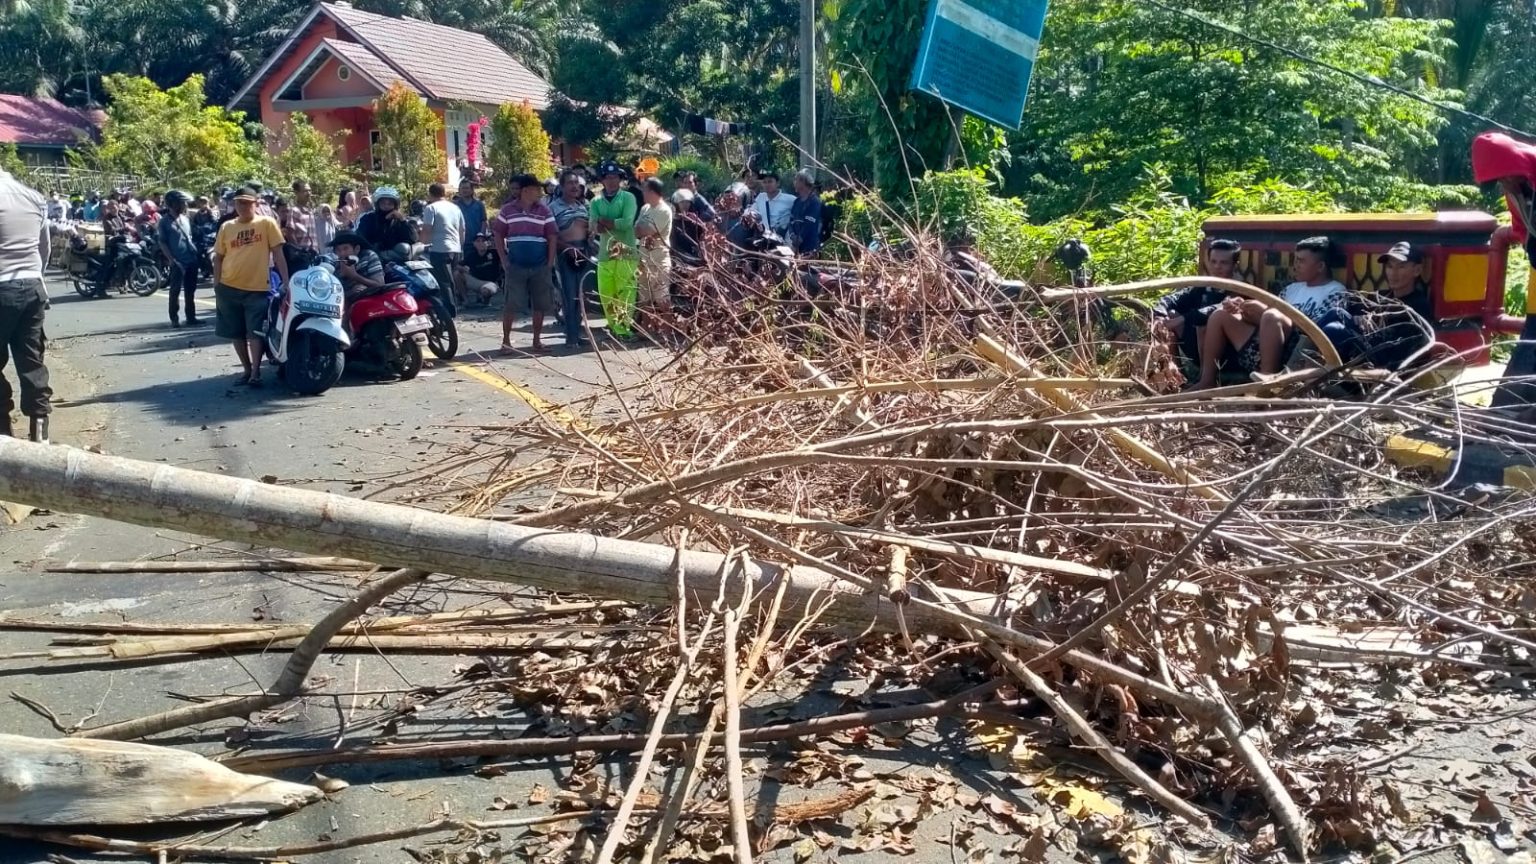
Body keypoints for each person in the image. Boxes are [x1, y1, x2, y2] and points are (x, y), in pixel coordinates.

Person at [1195, 236, 1348, 389]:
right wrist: (1243, 309)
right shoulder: (1291, 289)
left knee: (1272, 315)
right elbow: (1268, 317)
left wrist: (1266, 312)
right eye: (1295, 260)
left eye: (1301, 261)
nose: (1295, 266)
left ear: (1320, 266)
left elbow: (1317, 329)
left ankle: (1268, 382)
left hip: (1295, 355)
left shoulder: (1335, 291)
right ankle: (1206, 380)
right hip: (1261, 349)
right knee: (1221, 315)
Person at [1472, 131, 1536, 408]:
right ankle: (1511, 408)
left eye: (1506, 175)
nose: (1504, 182)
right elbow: (1521, 225)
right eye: (1498, 179)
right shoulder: (1513, 187)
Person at [212, 187, 289, 387]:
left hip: (257, 288)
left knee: (255, 332)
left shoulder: (266, 224)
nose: (243, 207)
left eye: (247, 203)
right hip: (228, 286)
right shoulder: (227, 227)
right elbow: (219, 257)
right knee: (235, 332)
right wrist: (216, 283)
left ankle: (256, 372)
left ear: (256, 204)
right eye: (239, 203)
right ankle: (246, 370)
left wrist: (286, 281)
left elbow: (278, 254)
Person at [0, 165, 52, 442]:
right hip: (32, 286)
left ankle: (4, 436)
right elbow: (44, 250)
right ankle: (40, 439)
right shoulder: (32, 197)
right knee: (32, 363)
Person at [491, 174, 557, 353]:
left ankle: (536, 340)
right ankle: (506, 342)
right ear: (526, 190)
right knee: (511, 303)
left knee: (540, 304)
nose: (540, 193)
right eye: (537, 189)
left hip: (539, 265)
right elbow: (498, 234)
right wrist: (504, 260)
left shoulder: (544, 211)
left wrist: (550, 262)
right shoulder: (507, 210)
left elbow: (552, 236)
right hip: (515, 265)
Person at [1153, 239, 1242, 364]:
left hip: (1227, 353)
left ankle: (1206, 377)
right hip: (1196, 348)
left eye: (1224, 263)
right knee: (1170, 314)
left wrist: (1182, 319)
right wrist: (1160, 316)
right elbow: (1171, 299)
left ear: (1234, 265)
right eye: (1213, 262)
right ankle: (1176, 374)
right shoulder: (1202, 287)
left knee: (1204, 325)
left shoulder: (1240, 291)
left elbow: (1214, 309)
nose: (1217, 267)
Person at [1358, 242, 1435, 372]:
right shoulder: (1382, 298)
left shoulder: (1418, 305)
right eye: (1389, 266)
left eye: (1401, 267)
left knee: (1335, 328)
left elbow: (1403, 349)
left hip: (1385, 365)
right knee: (1336, 316)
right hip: (1367, 351)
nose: (1393, 273)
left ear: (1417, 270)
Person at [590, 161, 639, 341]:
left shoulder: (628, 198)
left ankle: (624, 328)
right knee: (606, 293)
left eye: (615, 177)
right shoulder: (595, 201)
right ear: (602, 180)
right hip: (605, 253)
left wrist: (606, 222)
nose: (611, 181)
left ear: (620, 179)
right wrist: (607, 223)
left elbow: (627, 223)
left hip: (626, 252)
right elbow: (594, 227)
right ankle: (614, 326)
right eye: (608, 177)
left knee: (625, 292)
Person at [550, 171, 592, 347]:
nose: (574, 186)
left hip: (584, 252)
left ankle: (576, 332)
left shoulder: (582, 206)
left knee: (582, 295)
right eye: (570, 183)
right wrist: (568, 248)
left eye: (576, 183)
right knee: (570, 295)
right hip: (565, 255)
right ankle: (571, 338)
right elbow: (551, 236)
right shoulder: (553, 207)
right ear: (561, 187)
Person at [156, 190, 202, 328]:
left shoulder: (185, 219)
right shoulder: (164, 222)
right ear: (173, 204)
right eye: (181, 203)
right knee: (175, 290)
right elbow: (162, 242)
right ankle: (174, 318)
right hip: (177, 261)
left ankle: (191, 317)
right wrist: (171, 259)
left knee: (190, 289)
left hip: (191, 258)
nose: (184, 205)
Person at [634, 178, 674, 326]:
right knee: (644, 296)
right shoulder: (645, 208)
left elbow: (647, 230)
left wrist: (642, 231)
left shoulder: (664, 210)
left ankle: (668, 331)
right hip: (643, 258)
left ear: (652, 191)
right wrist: (642, 231)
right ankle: (647, 329)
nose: (642, 192)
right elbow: (636, 231)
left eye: (644, 189)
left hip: (659, 258)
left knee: (662, 296)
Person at [421, 182, 465, 316]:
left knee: (444, 281)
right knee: (450, 279)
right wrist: (460, 246)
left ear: (430, 194)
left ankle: (449, 313)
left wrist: (421, 243)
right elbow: (462, 229)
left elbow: (427, 229)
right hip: (455, 247)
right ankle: (452, 307)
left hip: (439, 248)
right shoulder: (455, 208)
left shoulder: (431, 208)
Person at [324, 230, 386, 299]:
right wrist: (351, 293)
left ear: (357, 249)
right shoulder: (336, 265)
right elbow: (334, 295)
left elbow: (381, 285)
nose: (342, 253)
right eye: (338, 250)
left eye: (345, 248)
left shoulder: (369, 256)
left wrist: (354, 276)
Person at [355, 187, 415, 254]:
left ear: (395, 206)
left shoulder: (399, 221)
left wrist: (403, 220)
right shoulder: (368, 219)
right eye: (383, 203)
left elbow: (412, 240)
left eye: (390, 204)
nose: (386, 206)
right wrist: (384, 221)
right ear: (377, 204)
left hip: (396, 260)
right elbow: (360, 239)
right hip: (373, 258)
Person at [456, 231, 503, 305]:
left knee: (486, 291)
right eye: (478, 241)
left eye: (483, 241)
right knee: (457, 274)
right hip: (476, 281)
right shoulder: (471, 255)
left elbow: (506, 257)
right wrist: (463, 269)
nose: (481, 243)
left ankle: (486, 301)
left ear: (488, 243)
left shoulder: (495, 253)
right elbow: (457, 265)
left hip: (490, 283)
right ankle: (465, 300)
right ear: (474, 244)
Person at [786, 169, 823, 256]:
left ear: (803, 181)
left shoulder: (814, 201)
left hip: (809, 246)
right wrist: (792, 236)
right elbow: (791, 221)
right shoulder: (797, 201)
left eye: (796, 179)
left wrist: (799, 240)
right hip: (796, 245)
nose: (794, 182)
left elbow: (809, 224)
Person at [751, 171, 792, 236]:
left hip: (782, 239)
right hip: (764, 238)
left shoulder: (789, 199)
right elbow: (751, 211)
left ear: (778, 183)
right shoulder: (761, 197)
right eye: (764, 182)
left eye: (770, 181)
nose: (767, 185)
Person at [670, 189, 704, 266]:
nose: (685, 205)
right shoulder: (672, 222)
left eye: (687, 202)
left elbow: (702, 237)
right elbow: (674, 246)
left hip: (696, 257)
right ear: (676, 204)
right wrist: (688, 258)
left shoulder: (694, 219)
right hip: (680, 260)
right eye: (682, 202)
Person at [453, 178, 487, 254]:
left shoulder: (479, 205)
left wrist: (481, 237)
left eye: (467, 188)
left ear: (472, 190)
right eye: (462, 188)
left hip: (476, 243)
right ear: (459, 190)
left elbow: (484, 221)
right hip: (460, 242)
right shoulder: (454, 205)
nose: (465, 190)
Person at [284, 180, 317, 255]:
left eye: (310, 191)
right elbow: (290, 234)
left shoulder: (311, 211)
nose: (308, 193)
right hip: (302, 256)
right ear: (296, 193)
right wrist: (299, 251)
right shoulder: (294, 211)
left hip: (313, 254)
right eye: (305, 191)